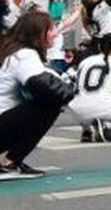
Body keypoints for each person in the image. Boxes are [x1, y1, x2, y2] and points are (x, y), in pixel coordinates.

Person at [0, 11, 73, 179]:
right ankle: (10, 163)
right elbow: (44, 86)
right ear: (38, 33)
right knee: (49, 105)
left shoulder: (11, 51)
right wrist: (74, 96)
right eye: (51, 29)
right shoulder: (25, 54)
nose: (55, 34)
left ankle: (11, 162)